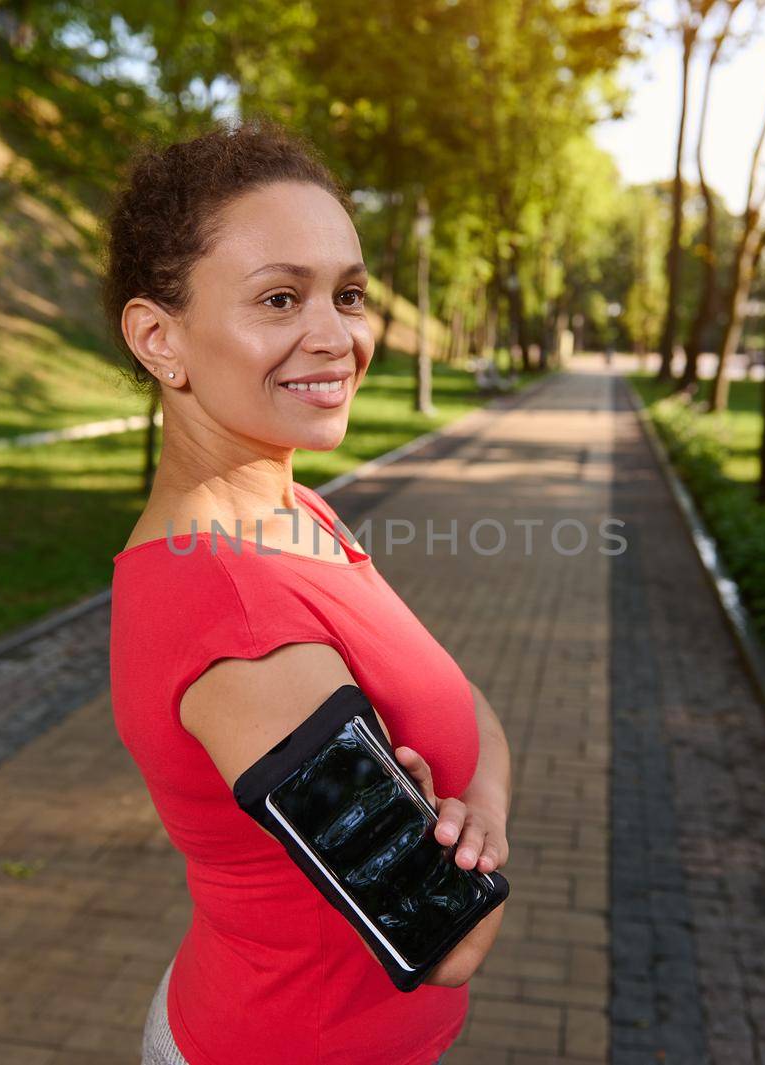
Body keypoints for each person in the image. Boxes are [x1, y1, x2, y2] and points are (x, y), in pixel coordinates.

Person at [103, 121, 512, 1065]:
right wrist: (475, 817)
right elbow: (446, 930)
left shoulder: (294, 511)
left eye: (349, 293)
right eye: (280, 298)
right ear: (160, 338)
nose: (337, 338)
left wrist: (474, 812)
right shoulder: (236, 615)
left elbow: (474, 707)